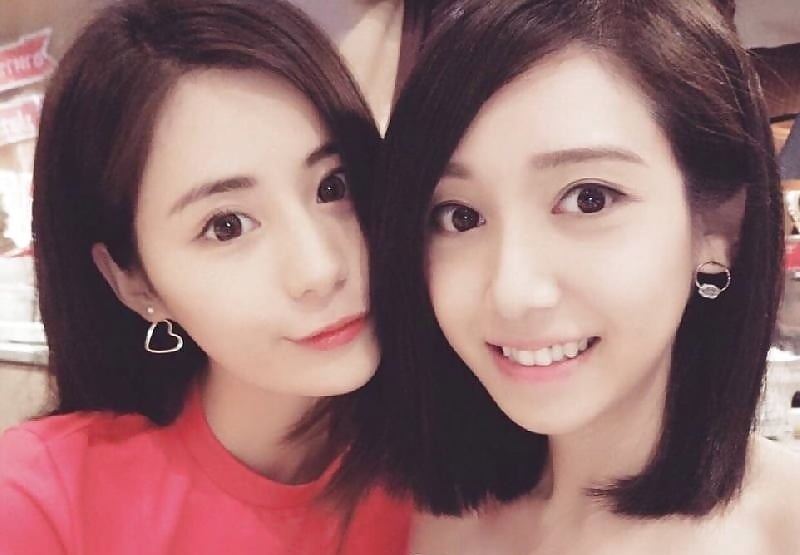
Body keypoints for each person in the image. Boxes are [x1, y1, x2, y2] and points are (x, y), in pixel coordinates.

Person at [337, 0, 800, 553]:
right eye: (459, 216)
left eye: (589, 198)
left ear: (719, 228)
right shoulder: (436, 519)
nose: (512, 293)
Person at [0, 0, 410, 553]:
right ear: (135, 283)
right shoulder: (42, 499)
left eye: (332, 187)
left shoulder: (462, 469)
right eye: (226, 226)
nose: (321, 269)